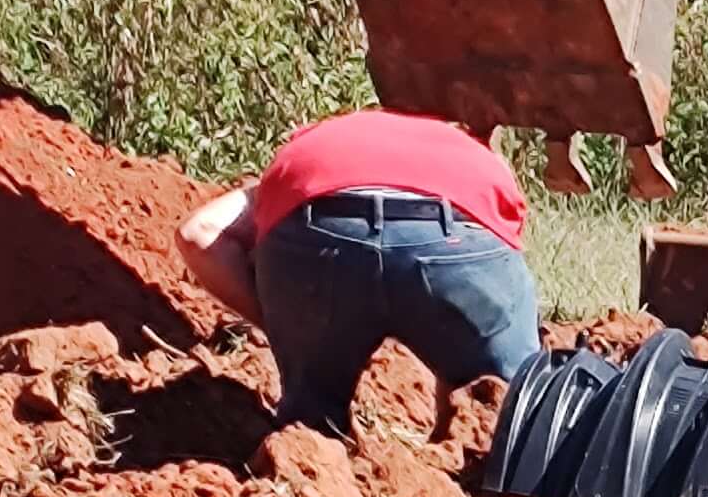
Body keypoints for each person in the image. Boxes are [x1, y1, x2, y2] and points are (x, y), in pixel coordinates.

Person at [180, 108, 544, 439]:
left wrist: (284, 322)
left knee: (310, 430)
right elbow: (493, 259)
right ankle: (514, 445)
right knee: (512, 409)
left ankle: (313, 455)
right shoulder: (471, 154)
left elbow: (198, 234)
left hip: (319, 227)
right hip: (454, 238)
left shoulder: (312, 152)